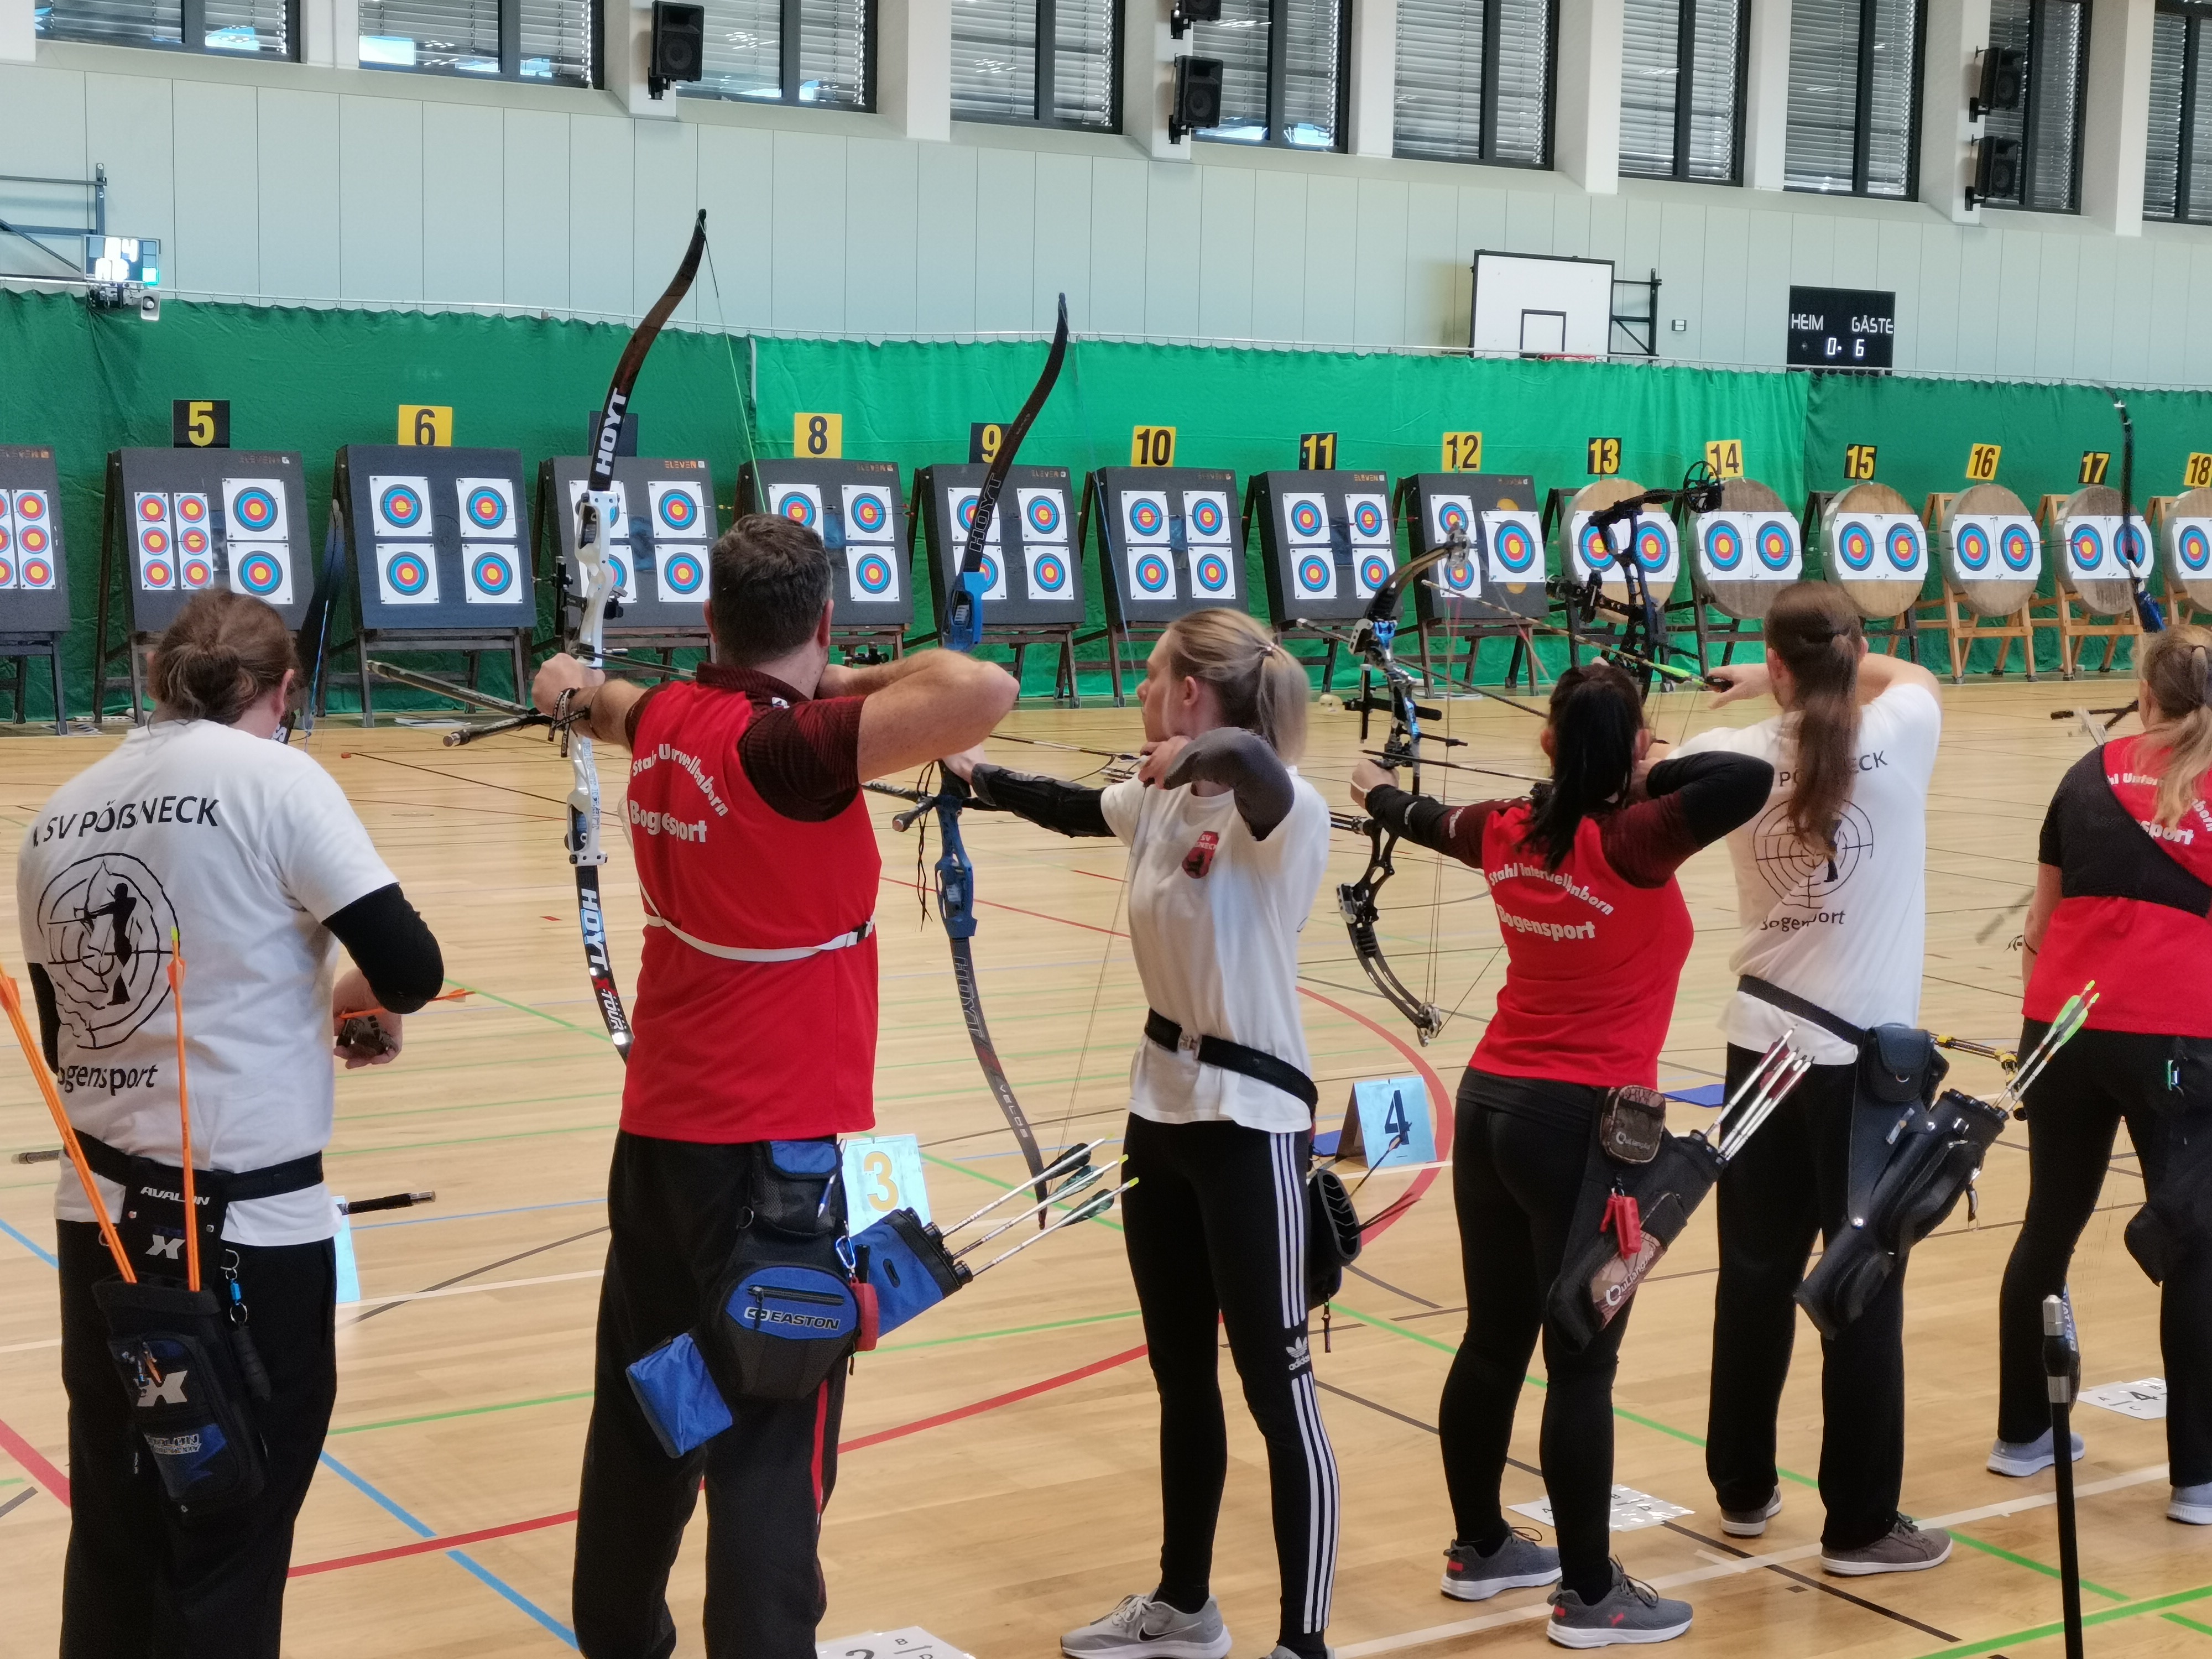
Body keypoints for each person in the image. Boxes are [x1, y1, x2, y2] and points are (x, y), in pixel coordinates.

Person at [532, 513, 1018, 1659]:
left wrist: (567, 688)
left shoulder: (666, 715)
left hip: (660, 1142)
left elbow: (586, 692)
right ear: (824, 622)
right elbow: (982, 687)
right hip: (782, 1162)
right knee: (769, 1435)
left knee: (652, 1401)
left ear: (709, 620)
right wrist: (842, 680)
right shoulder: (792, 750)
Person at [17, 590, 444, 1659]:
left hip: (99, 1227)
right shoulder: (278, 781)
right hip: (242, 1238)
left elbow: (76, 1031)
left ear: (156, 682)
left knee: (117, 1530)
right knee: (230, 1539)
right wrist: (359, 996)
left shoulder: (57, 814)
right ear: (284, 691)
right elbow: (410, 967)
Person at [935, 609, 1336, 1659]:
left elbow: (1250, 763)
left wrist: (1194, 756)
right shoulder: (1157, 798)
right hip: (1159, 1118)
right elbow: (1075, 808)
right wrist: (975, 772)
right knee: (1180, 1374)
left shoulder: (1287, 812)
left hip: (1250, 1126)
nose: (1143, 690)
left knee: (1278, 1388)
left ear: (1192, 694)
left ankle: (1304, 1642)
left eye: (1156, 677)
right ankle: (1184, 1606)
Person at [1349, 660, 1771, 1648]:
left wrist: (1377, 791)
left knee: (1493, 1340)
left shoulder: (1508, 827)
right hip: (1586, 1126)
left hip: (1493, 1104)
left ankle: (1481, 1548)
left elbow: (1421, 818)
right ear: (1634, 747)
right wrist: (1644, 769)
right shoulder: (1637, 837)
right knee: (1582, 1365)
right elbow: (1744, 780)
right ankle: (1590, 1596)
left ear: (1547, 743)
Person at [1672, 581, 1949, 1575]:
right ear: (1854, 651)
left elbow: (1662, 776)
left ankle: (1742, 1489)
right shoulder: (1902, 728)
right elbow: (1909, 674)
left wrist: (1766, 692)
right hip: (1866, 1070)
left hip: (1762, 1049)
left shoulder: (1731, 757)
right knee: (1862, 1284)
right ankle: (1861, 1526)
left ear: (1778, 663)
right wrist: (1789, 677)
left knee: (1754, 1273)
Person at [1992, 625, 2212, 1521]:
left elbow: (2040, 925)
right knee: (2196, 1243)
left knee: (2049, 1223)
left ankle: (2022, 1436)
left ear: (2146, 696)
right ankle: (2199, 1479)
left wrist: (2039, 1032)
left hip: (2064, 1026)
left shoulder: (2086, 773)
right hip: (2175, 1036)